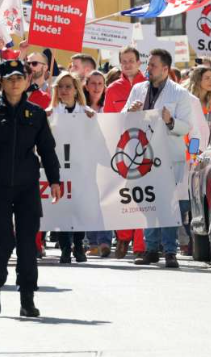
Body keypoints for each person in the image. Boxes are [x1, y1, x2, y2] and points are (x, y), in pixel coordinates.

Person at [0, 59, 62, 318]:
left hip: (26, 187)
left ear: (27, 81)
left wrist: (54, 180)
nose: (14, 82)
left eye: (19, 77)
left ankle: (27, 298)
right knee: (2, 241)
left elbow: (47, 149)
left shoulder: (35, 113)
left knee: (26, 243)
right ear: (0, 81)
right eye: (9, 78)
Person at [124, 49, 192, 269]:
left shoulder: (180, 94)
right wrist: (130, 111)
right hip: (143, 154)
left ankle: (170, 251)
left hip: (169, 156)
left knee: (168, 204)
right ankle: (151, 249)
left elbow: (185, 127)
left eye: (153, 65)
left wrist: (171, 120)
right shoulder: (137, 89)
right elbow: (124, 120)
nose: (148, 69)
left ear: (165, 69)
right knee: (147, 202)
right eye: (148, 64)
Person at [103, 46, 147, 259]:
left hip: (146, 148)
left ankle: (140, 247)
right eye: (124, 61)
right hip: (121, 149)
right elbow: (108, 120)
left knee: (144, 199)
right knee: (123, 197)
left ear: (139, 62)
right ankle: (123, 235)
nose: (128, 64)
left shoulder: (150, 85)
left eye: (132, 60)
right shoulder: (112, 88)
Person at [47, 71, 93, 264]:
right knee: (62, 207)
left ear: (76, 90)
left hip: (80, 166)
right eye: (61, 87)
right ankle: (65, 248)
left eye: (68, 86)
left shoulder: (85, 111)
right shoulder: (50, 112)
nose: (64, 90)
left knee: (79, 207)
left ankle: (79, 245)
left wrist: (93, 117)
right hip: (59, 166)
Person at [83, 70, 112, 257]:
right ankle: (92, 242)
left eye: (100, 83)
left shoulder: (109, 107)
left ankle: (105, 241)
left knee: (105, 200)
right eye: (93, 83)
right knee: (89, 201)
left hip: (106, 159)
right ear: (86, 86)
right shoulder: (79, 107)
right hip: (85, 160)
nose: (96, 87)